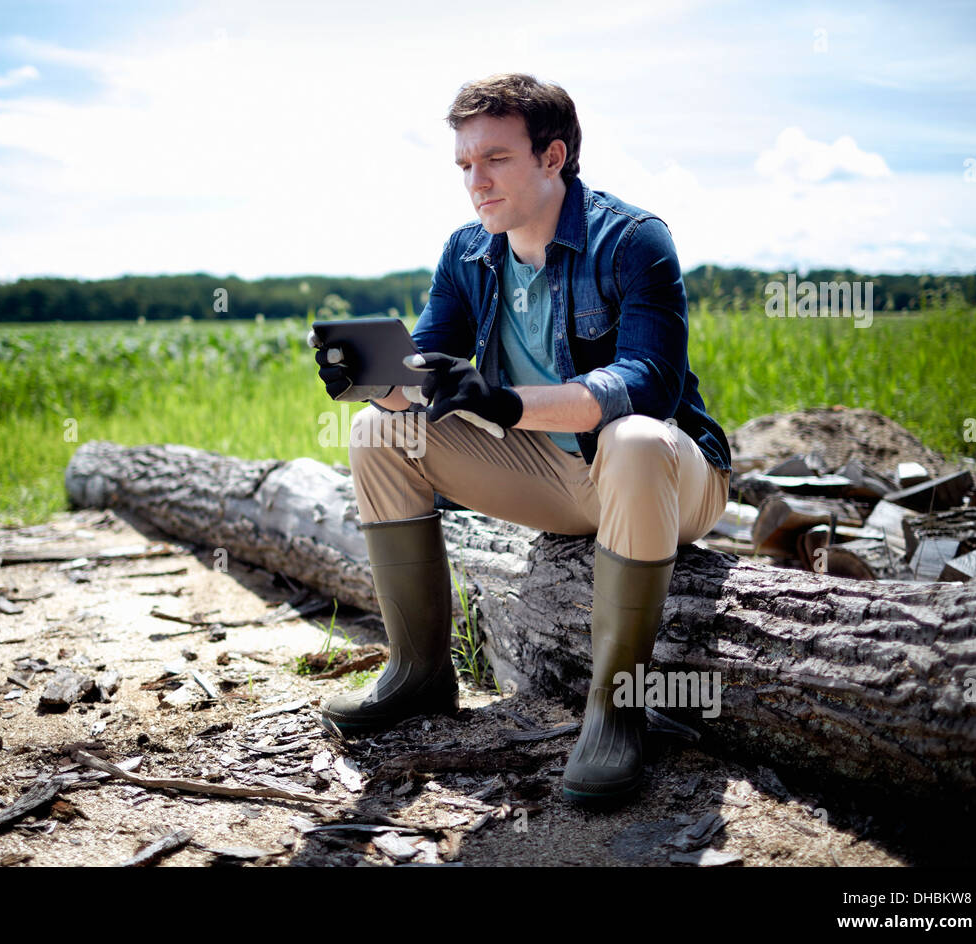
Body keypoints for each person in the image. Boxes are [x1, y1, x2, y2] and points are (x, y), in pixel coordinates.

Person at [307, 72, 732, 804]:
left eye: (495, 159)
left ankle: (615, 710)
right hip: (555, 482)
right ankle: (418, 674)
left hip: (663, 479)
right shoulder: (468, 252)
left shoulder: (633, 240)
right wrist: (371, 376)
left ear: (553, 155)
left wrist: (504, 402)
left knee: (630, 438)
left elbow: (648, 384)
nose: (476, 180)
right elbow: (429, 374)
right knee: (381, 430)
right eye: (466, 165)